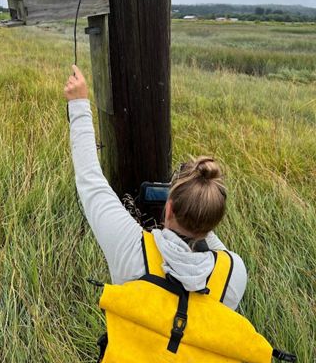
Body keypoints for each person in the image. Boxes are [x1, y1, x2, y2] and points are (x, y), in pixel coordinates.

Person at [64, 65, 247, 310]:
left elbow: (90, 179)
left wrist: (78, 104)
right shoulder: (233, 273)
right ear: (214, 220)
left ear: (168, 209)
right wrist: (197, 209)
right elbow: (209, 235)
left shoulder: (131, 249)